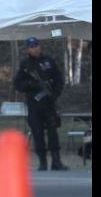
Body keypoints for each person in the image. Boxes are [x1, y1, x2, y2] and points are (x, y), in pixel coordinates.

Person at [14, 37, 69, 171]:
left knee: (53, 132)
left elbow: (59, 79)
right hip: (34, 104)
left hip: (49, 103)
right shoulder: (25, 64)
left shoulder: (49, 61)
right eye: (32, 47)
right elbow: (17, 84)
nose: (35, 49)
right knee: (37, 133)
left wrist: (55, 93)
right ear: (28, 49)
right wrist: (30, 84)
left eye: (36, 46)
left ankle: (56, 161)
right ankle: (42, 162)